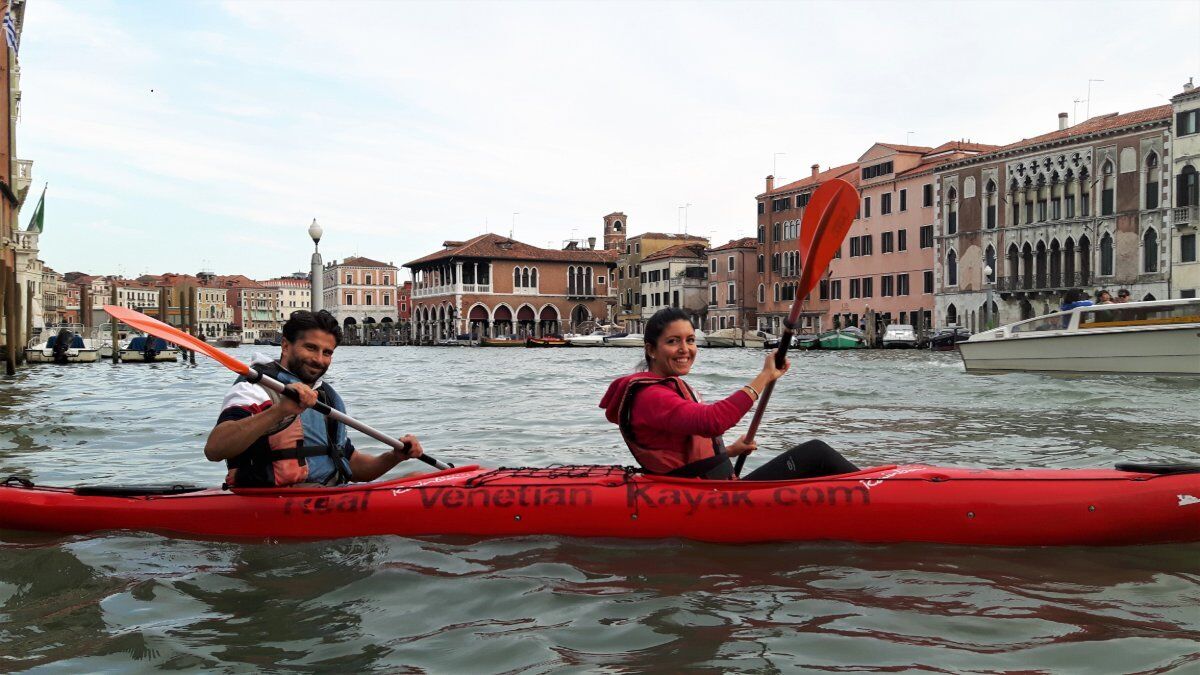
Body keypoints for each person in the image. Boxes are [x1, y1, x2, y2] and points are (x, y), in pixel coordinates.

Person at [599, 307, 859, 481]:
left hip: (710, 487)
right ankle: (879, 489)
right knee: (816, 453)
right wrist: (764, 377)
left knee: (815, 455)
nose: (685, 349)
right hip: (703, 496)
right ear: (651, 350)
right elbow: (713, 422)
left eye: (689, 340)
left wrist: (731, 451)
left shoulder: (667, 386)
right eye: (672, 341)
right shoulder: (651, 396)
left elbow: (683, 449)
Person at [204, 310, 423, 487]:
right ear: (286, 345)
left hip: (329, 496)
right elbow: (215, 449)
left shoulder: (325, 396)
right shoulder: (255, 388)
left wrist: (394, 456)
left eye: (327, 352)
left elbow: (352, 464)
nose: (319, 359)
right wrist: (280, 411)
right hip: (272, 502)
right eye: (311, 348)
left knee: (416, 477)